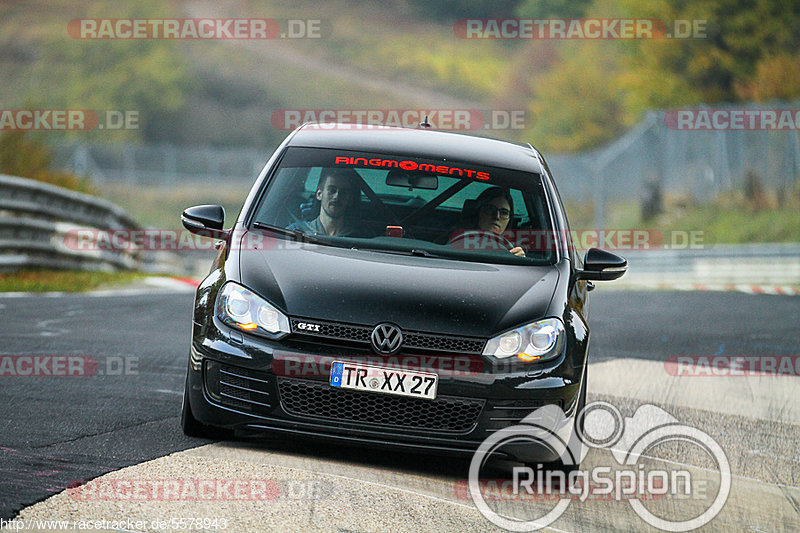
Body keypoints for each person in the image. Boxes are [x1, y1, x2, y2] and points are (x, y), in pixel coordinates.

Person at [289, 168, 361, 236]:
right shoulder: (294, 231)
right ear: (319, 194)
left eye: (343, 192)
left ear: (350, 199)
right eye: (332, 190)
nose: (337, 196)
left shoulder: (359, 238)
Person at [457, 187, 525, 256]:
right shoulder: (456, 241)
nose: (497, 216)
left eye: (504, 213)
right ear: (478, 212)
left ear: (509, 220)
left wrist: (519, 261)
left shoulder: (512, 250)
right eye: (490, 209)